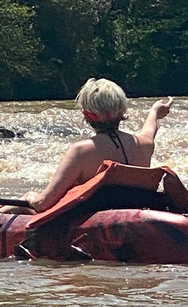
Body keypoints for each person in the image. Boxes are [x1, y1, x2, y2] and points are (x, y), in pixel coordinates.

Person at [1, 78, 173, 215]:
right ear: (122, 111)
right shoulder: (144, 145)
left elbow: (43, 204)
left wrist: (30, 198)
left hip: (90, 218)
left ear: (87, 114)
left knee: (24, 201)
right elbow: (149, 130)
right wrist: (154, 112)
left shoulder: (80, 151)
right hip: (135, 212)